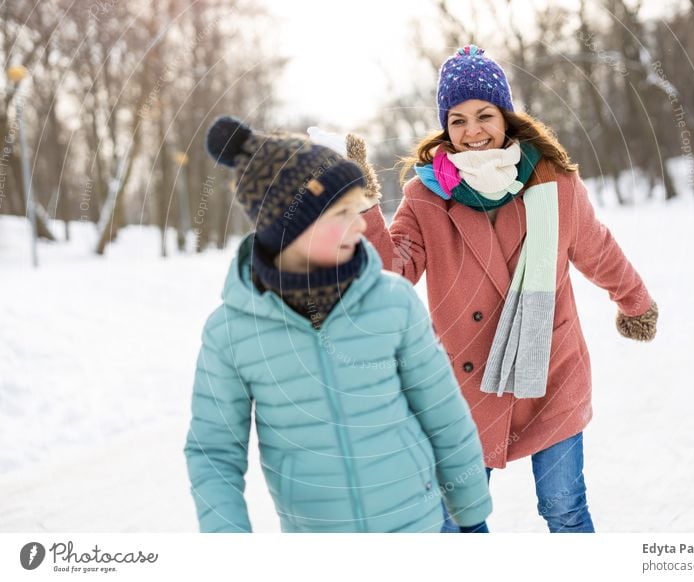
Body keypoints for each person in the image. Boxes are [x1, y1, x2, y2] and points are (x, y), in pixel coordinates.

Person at [361, 45, 659, 533]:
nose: (472, 131)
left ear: (505, 116)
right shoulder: (425, 196)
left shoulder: (551, 182)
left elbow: (597, 248)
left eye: (484, 115)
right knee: (455, 520)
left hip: (550, 367)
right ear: (445, 127)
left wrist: (635, 302)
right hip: (463, 384)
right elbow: (392, 271)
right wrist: (366, 207)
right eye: (457, 120)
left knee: (564, 507)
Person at [183, 116, 492, 533]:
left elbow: (443, 412)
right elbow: (214, 452)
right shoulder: (233, 332)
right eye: (343, 212)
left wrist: (471, 511)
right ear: (291, 226)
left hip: (417, 526)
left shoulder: (392, 302)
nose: (362, 224)